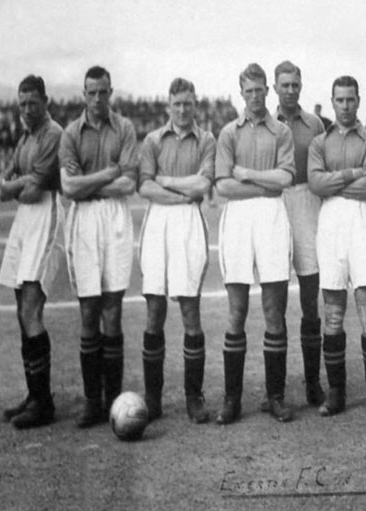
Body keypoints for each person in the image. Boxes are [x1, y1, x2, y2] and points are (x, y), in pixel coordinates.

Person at [215, 63, 296, 424]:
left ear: (268, 90)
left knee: (273, 310)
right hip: (237, 219)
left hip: (273, 217)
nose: (255, 96)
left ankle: (275, 396)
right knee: (236, 311)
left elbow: (284, 179)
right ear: (241, 92)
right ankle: (232, 399)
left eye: (260, 90)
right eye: (249, 91)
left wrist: (247, 174)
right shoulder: (229, 133)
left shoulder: (281, 131)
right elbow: (223, 186)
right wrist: (262, 183)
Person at [59, 66, 139, 428]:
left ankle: (112, 399)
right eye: (91, 93)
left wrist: (91, 183)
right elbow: (70, 189)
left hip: (115, 219)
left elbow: (129, 184)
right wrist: (107, 174)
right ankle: (92, 401)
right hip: (84, 220)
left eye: (103, 92)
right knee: (88, 310)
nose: (97, 99)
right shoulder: (71, 133)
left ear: (111, 92)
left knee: (112, 309)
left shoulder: (124, 128)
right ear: (83, 94)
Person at [137, 78, 215, 423]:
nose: (183, 110)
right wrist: (181, 191)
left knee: (189, 309)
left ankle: (192, 397)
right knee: (155, 309)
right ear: (169, 105)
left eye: (188, 103)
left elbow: (203, 184)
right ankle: (152, 399)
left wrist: (166, 181)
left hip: (189, 224)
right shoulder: (153, 139)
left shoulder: (207, 139)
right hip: (158, 223)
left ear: (195, 104)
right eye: (177, 104)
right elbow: (145, 186)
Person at [307, 75, 366, 416]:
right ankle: (336, 391)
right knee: (333, 306)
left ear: (358, 100)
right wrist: (352, 174)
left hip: (364, 221)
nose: (346, 106)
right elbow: (316, 184)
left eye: (351, 99)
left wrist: (336, 181)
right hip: (331, 224)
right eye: (340, 100)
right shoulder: (320, 142)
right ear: (333, 101)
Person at [0, 75, 65, 429]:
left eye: (32, 103)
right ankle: (32, 394)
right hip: (25, 220)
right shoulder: (26, 135)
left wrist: (15, 185)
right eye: (21, 104)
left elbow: (34, 190)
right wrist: (16, 185)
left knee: (31, 309)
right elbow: (6, 188)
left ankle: (44, 403)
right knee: (19, 303)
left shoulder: (52, 133)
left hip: (46, 214)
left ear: (45, 101)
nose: (26, 110)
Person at [273, 61, 326, 408]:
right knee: (274, 298)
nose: (291, 90)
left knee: (310, 296)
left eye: (296, 84)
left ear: (301, 86)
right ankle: (274, 390)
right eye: (285, 85)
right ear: (274, 88)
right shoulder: (264, 123)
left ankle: (312, 383)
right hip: (275, 203)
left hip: (307, 201)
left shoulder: (315, 124)